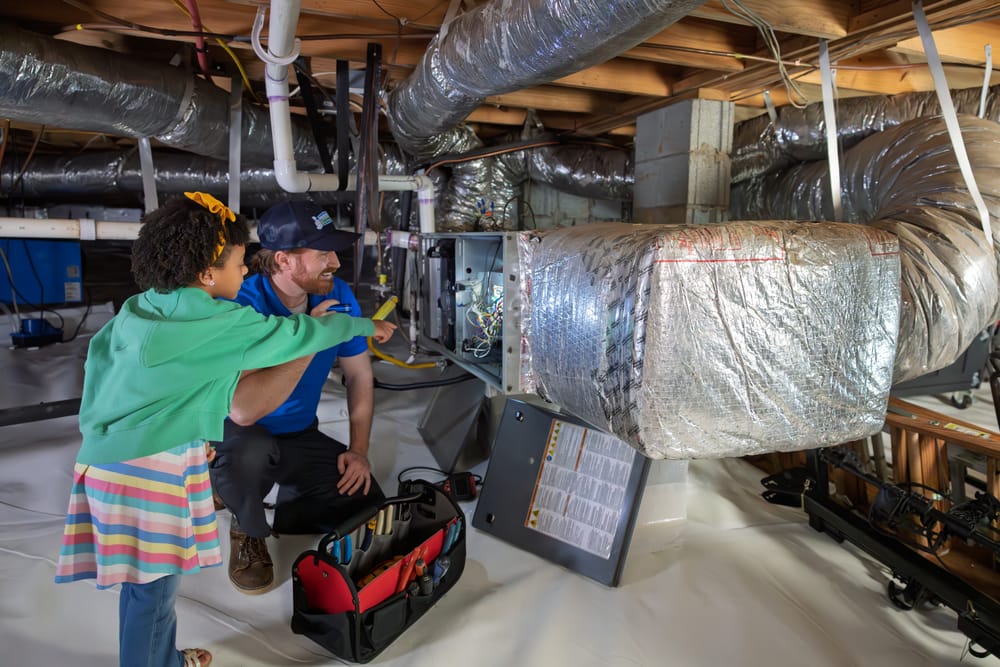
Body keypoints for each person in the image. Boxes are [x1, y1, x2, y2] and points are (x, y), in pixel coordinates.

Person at [54, 193, 395, 667]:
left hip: (108, 463)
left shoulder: (141, 308)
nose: (244, 272)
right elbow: (295, 337)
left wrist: (191, 438)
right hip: (147, 473)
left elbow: (112, 376)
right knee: (154, 594)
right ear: (207, 274)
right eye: (238, 263)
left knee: (147, 588)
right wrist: (363, 326)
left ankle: (163, 658)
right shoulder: (216, 317)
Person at [209, 200, 387, 595]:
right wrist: (310, 332)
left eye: (334, 252)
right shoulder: (242, 305)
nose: (335, 263)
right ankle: (247, 525)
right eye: (322, 253)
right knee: (247, 457)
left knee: (364, 502)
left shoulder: (338, 295)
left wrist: (358, 449)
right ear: (285, 261)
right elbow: (241, 409)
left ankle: (275, 502)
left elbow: (359, 375)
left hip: (299, 431)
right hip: (243, 432)